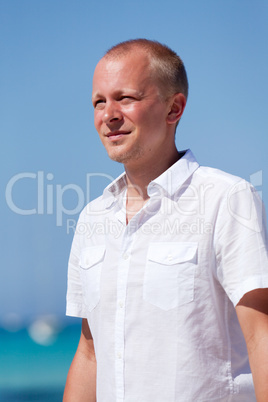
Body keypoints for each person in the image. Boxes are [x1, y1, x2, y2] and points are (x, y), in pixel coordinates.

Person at [63, 39, 268, 402]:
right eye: (99, 101)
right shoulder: (92, 217)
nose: (108, 114)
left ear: (174, 108)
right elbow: (90, 352)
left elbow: (261, 333)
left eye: (125, 98)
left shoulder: (226, 199)